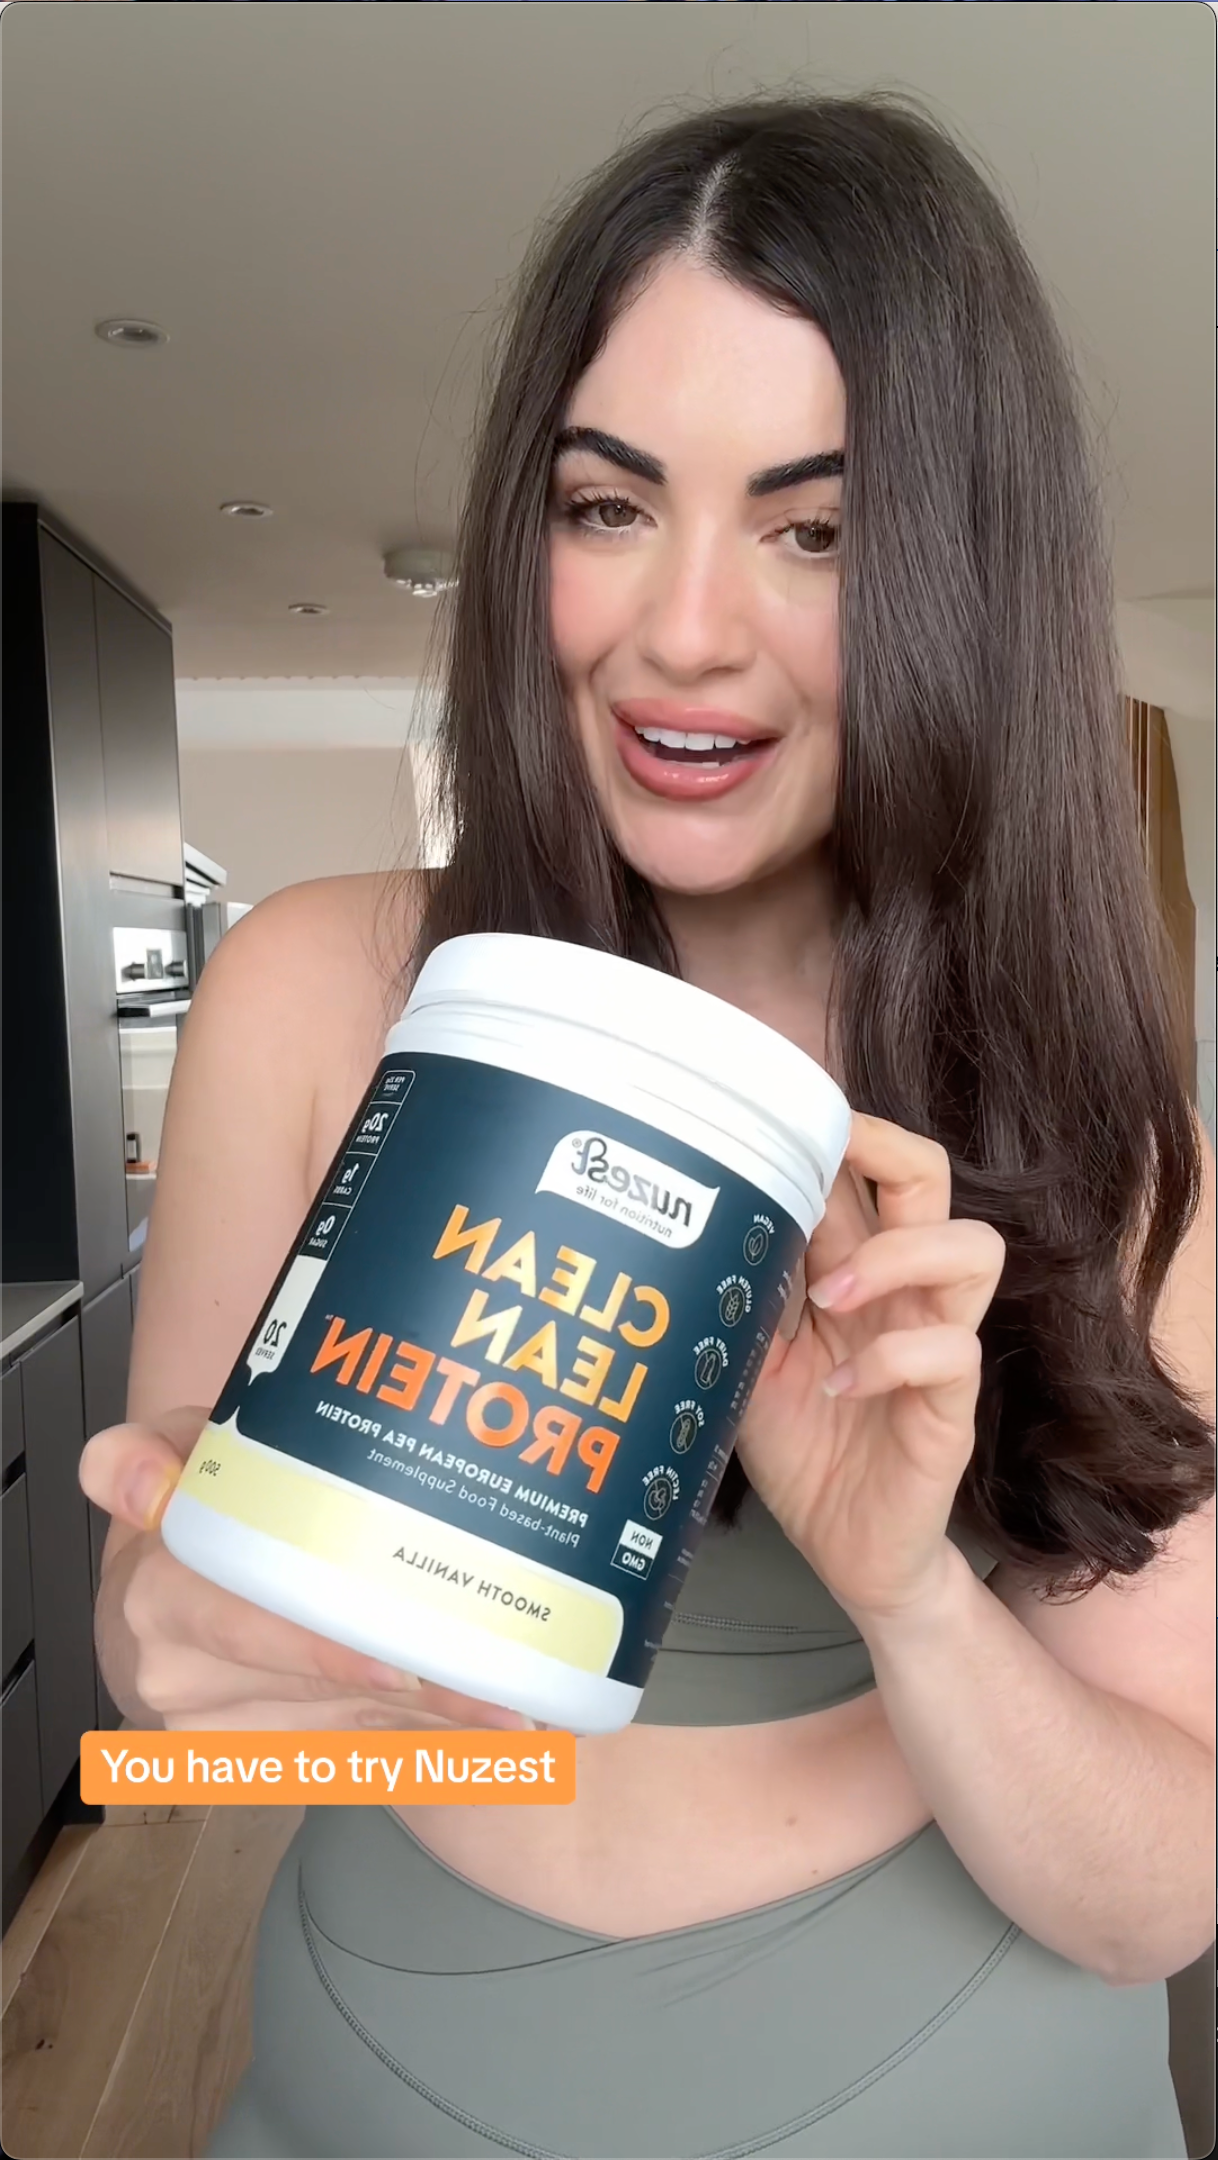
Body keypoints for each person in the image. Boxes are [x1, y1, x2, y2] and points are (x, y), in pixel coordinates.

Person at [81, 94, 1215, 2160]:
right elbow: (185, 1705)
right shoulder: (322, 995)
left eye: (818, 531)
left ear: (968, 577)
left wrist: (910, 1593)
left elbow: (1154, 1901)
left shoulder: (1107, 1142)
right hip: (371, 2081)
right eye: (608, 505)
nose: (681, 630)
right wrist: (177, 1652)